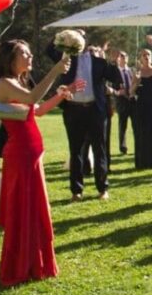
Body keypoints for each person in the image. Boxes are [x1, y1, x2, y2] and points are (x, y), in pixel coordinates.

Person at [0, 41, 79, 286]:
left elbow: (36, 110)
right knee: (24, 210)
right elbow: (32, 97)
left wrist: (61, 95)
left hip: (31, 154)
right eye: (25, 53)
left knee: (33, 209)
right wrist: (55, 70)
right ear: (10, 58)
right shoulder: (6, 84)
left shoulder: (16, 83)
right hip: (21, 155)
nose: (30, 55)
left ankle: (33, 260)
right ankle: (22, 264)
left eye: (30, 51)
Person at [48, 39, 126, 201]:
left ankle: (102, 189)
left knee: (100, 150)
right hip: (73, 110)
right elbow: (50, 50)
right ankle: (76, 191)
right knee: (75, 150)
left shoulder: (99, 62)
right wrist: (63, 36)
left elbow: (117, 79)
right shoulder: (67, 59)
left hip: (95, 111)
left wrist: (113, 62)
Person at [129, 48, 152, 172]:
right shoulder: (137, 73)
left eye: (148, 54)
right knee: (143, 133)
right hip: (142, 106)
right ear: (140, 58)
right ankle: (143, 162)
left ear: (151, 57)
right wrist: (136, 82)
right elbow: (131, 92)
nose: (146, 56)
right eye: (144, 55)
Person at [113, 51, 134, 155]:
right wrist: (117, 92)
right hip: (122, 103)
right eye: (121, 56)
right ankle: (123, 147)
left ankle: (138, 146)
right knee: (122, 126)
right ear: (118, 59)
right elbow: (111, 87)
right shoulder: (115, 72)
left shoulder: (131, 71)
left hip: (133, 102)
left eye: (125, 56)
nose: (123, 57)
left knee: (136, 125)